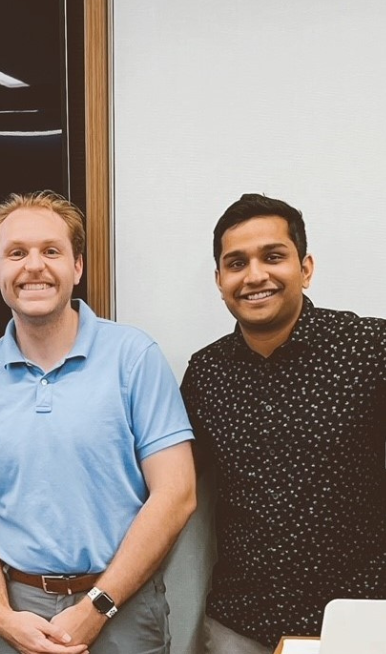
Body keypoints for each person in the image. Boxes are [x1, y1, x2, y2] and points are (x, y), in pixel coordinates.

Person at [0, 190, 197, 654]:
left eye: (51, 251)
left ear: (77, 267)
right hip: (17, 613)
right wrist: (1, 614)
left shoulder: (133, 356)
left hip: (122, 604)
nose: (34, 266)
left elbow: (177, 494)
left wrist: (97, 606)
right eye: (16, 253)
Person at [181, 193, 386, 653]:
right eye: (236, 263)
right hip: (239, 625)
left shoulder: (369, 349)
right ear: (219, 281)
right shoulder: (206, 372)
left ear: (305, 268)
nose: (255, 276)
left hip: (354, 621)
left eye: (273, 257)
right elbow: (172, 488)